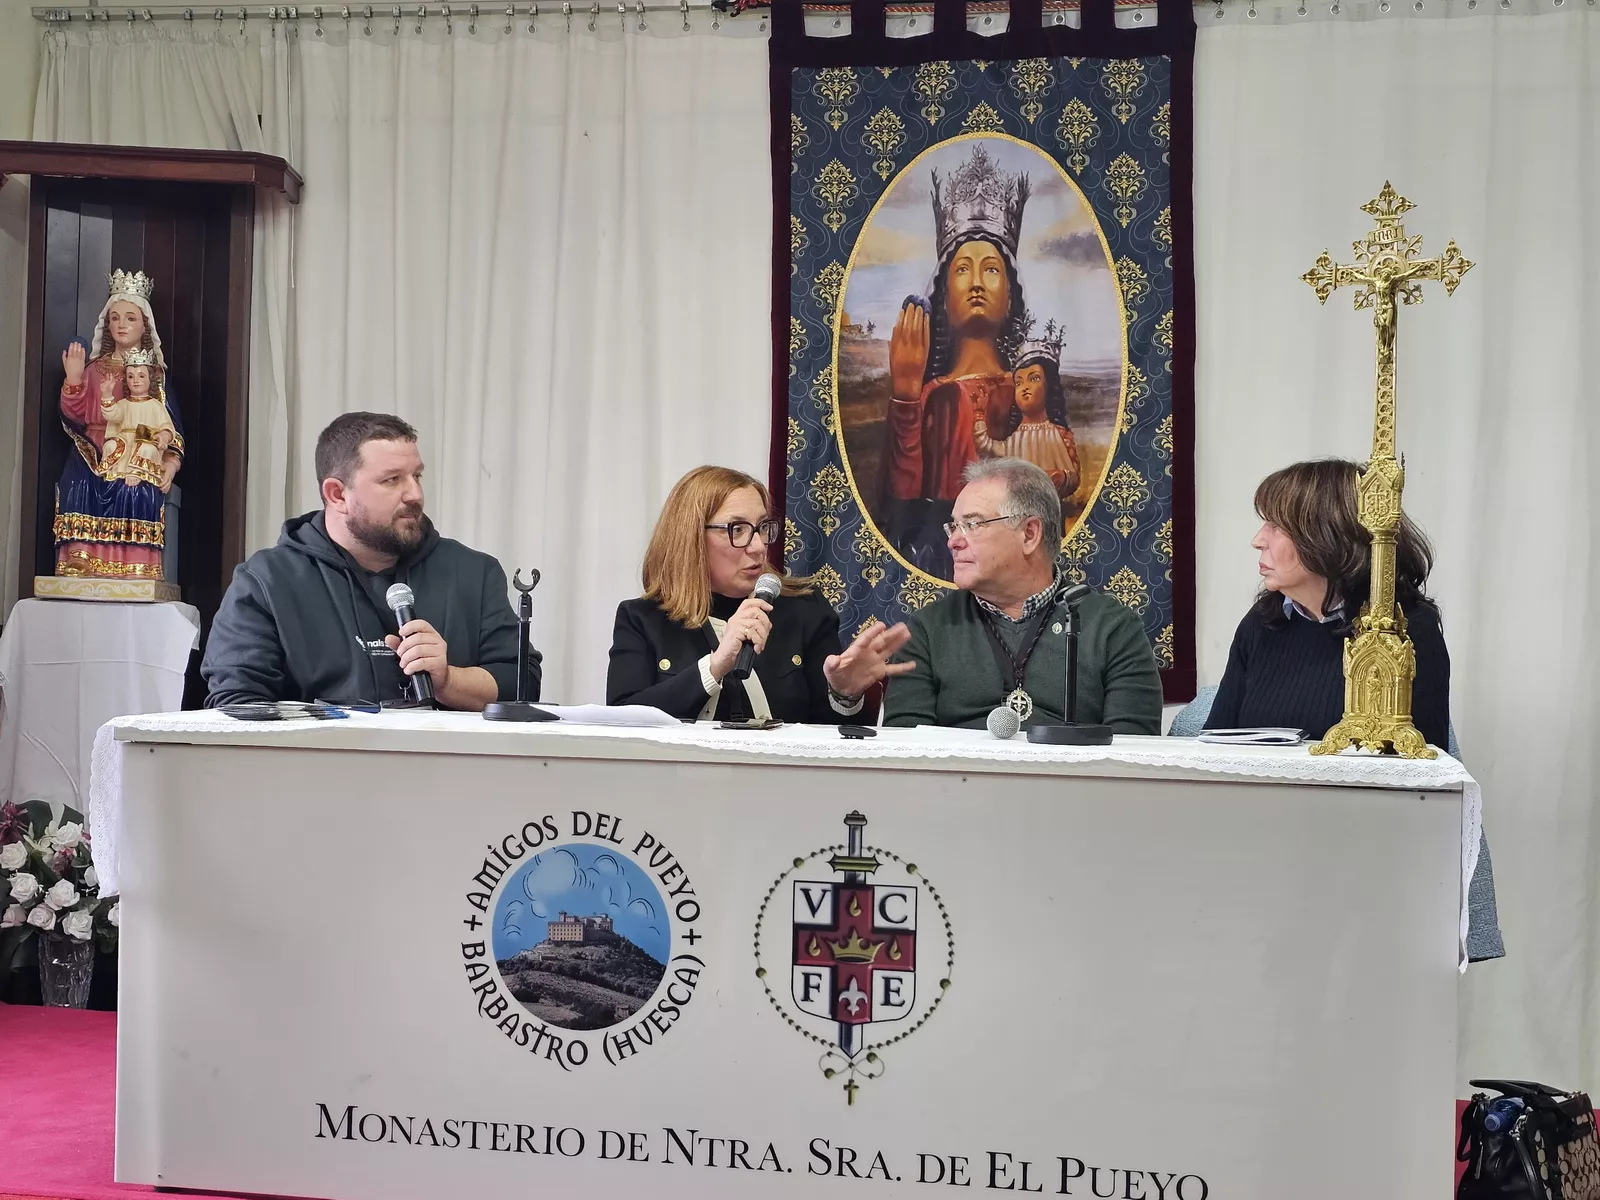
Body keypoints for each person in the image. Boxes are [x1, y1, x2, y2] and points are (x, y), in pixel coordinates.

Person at [202, 412, 537, 711]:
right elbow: (237, 705)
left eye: (417, 476)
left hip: (447, 762)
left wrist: (447, 681)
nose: (415, 494)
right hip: (320, 761)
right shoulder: (267, 582)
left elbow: (520, 684)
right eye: (392, 479)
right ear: (337, 494)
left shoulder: (473, 573)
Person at [607, 466, 912, 723]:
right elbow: (622, 724)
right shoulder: (643, 620)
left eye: (763, 527)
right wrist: (715, 666)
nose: (758, 546)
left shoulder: (804, 610)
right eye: (737, 529)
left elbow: (834, 742)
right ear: (691, 537)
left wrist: (844, 696)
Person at [880, 458, 1163, 732]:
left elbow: (1134, 751)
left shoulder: (1114, 629)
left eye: (973, 524)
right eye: (954, 526)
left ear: (1029, 534)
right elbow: (906, 749)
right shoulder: (926, 631)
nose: (953, 541)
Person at [1204, 458, 1449, 747]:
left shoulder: (1406, 629)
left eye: (1276, 526)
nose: (1258, 540)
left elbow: (1425, 762)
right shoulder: (1261, 623)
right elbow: (1215, 745)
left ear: (1326, 535)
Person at [884, 143, 1029, 577]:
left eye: (992, 269)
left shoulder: (1026, 388)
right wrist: (906, 395)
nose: (977, 282)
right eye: (962, 269)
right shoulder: (934, 395)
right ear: (944, 295)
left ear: (1011, 294)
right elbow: (902, 511)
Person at [55, 269, 184, 579]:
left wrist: (170, 463)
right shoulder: (94, 368)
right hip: (94, 447)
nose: (121, 325)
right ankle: (80, 557)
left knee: (136, 489)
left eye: (130, 318)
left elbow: (171, 427)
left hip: (138, 450)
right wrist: (74, 379)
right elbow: (75, 415)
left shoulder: (154, 375)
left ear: (145, 325)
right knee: (77, 481)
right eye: (114, 318)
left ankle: (135, 562)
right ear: (107, 325)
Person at [974, 316, 1080, 501]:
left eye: (1034, 378)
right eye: (1019, 382)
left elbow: (1074, 477)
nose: (1025, 387)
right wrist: (979, 414)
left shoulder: (1059, 435)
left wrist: (1062, 477)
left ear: (1049, 386)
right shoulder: (1014, 440)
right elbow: (986, 446)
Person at [100, 349, 179, 488]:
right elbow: (112, 415)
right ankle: (115, 474)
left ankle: (137, 472)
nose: (136, 380)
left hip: (146, 439)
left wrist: (163, 436)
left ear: (150, 379)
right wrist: (107, 395)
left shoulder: (155, 406)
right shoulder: (123, 404)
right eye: (131, 377)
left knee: (146, 449)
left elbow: (167, 427)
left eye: (141, 376)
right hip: (125, 442)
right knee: (110, 446)